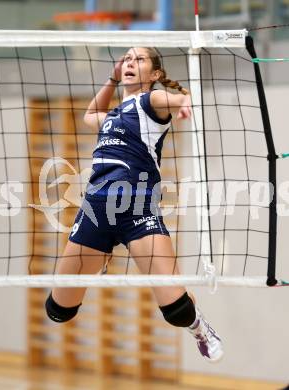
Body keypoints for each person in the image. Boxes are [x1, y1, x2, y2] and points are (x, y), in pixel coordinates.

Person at [45, 47, 223, 362]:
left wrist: (184, 104)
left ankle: (199, 328)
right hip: (96, 211)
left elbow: (183, 98)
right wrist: (112, 79)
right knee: (58, 310)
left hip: (137, 209)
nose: (130, 63)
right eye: (127, 59)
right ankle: (98, 258)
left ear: (154, 74)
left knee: (177, 311)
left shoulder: (149, 101)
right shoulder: (112, 116)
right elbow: (89, 116)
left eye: (138, 60)